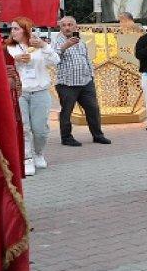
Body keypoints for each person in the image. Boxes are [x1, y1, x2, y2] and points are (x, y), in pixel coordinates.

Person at [6, 17, 59, 174]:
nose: (12, 31)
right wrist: (14, 59)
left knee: (40, 129)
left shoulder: (39, 45)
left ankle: (38, 153)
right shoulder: (9, 47)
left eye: (16, 28)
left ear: (26, 29)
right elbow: (3, 65)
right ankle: (27, 158)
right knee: (24, 127)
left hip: (40, 92)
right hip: (20, 92)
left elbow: (55, 60)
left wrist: (43, 45)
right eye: (12, 28)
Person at [55, 16, 111, 147]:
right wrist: (65, 46)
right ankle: (66, 137)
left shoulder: (80, 41)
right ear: (61, 27)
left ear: (76, 27)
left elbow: (87, 59)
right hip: (67, 84)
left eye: (70, 25)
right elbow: (53, 57)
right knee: (66, 111)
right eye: (64, 25)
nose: (67, 27)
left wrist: (91, 76)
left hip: (85, 83)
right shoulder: (56, 41)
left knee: (93, 109)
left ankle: (98, 135)